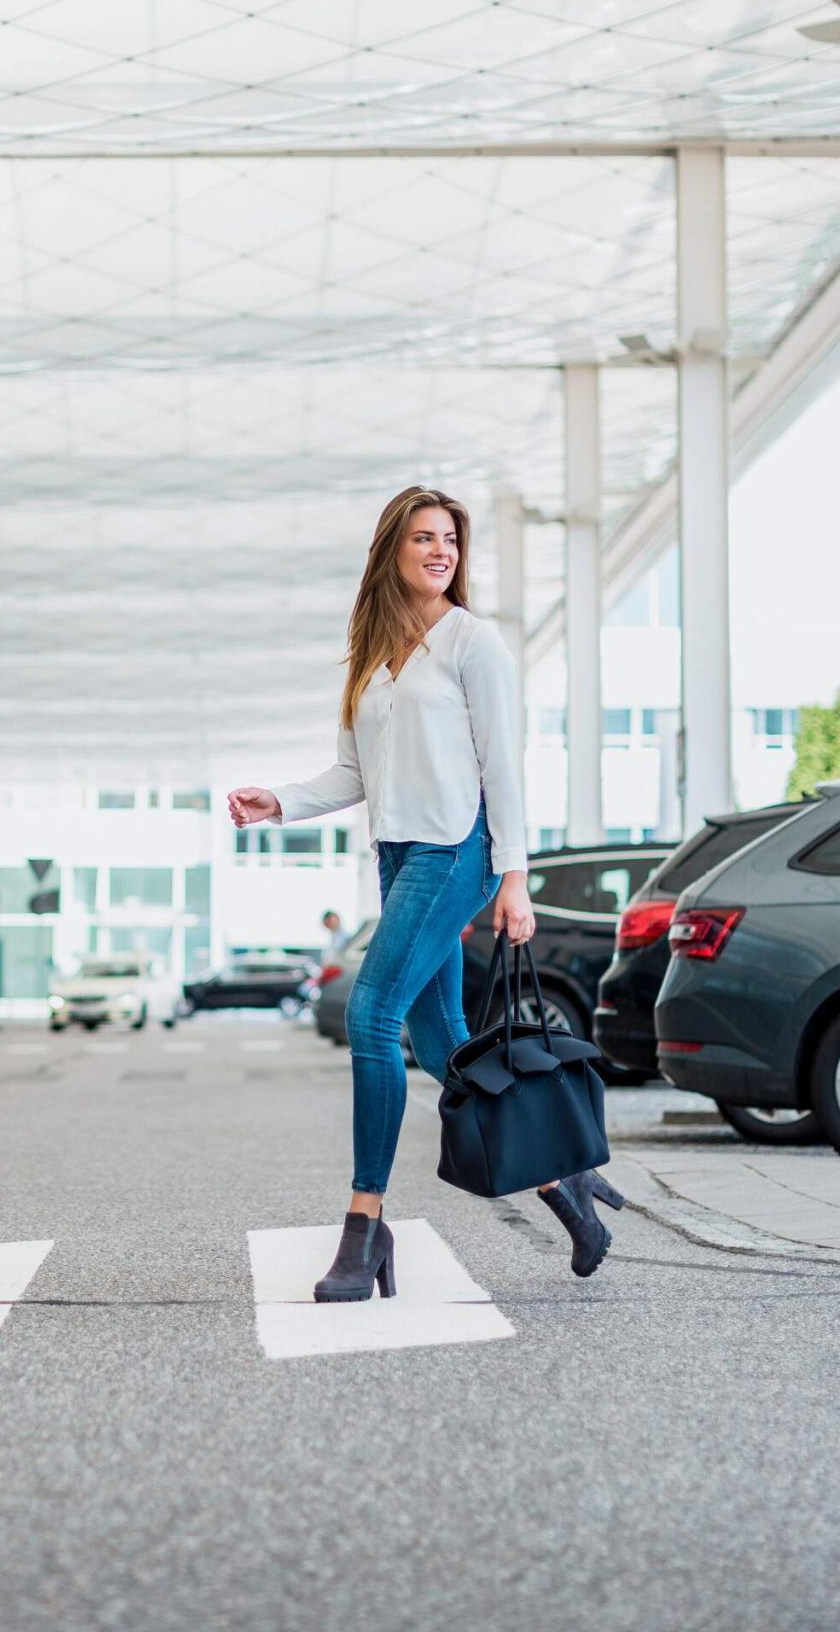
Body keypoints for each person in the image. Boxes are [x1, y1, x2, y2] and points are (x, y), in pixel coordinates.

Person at [227, 485, 615, 1298]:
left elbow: (503, 764)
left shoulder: (476, 644)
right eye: (423, 539)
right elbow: (353, 773)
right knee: (446, 1046)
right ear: (391, 554)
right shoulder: (371, 653)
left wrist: (514, 875)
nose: (440, 551)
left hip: (456, 850)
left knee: (372, 1015)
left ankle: (364, 1227)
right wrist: (281, 802)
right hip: (401, 856)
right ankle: (564, 1184)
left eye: (449, 539)